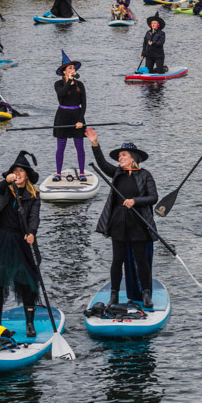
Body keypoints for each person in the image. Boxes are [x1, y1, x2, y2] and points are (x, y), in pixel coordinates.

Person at [86, 129, 158, 308]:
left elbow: (153, 198)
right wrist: (95, 143)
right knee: (117, 260)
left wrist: (135, 201)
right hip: (118, 222)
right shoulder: (117, 173)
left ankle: (146, 293)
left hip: (139, 223)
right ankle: (114, 294)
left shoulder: (145, 175)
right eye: (119, 156)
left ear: (133, 157)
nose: (120, 158)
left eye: (123, 155)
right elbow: (102, 164)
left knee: (141, 260)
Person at [0, 151, 42, 335]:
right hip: (0, 239)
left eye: (22, 171)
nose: (18, 174)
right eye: (16, 171)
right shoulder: (6, 189)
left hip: (21, 241)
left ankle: (30, 323)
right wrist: (7, 180)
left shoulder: (34, 195)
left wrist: (32, 233)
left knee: (26, 281)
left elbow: (35, 218)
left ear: (27, 175)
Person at [53, 51, 87, 182]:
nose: (73, 70)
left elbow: (84, 104)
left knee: (79, 146)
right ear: (64, 72)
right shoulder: (58, 84)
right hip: (62, 117)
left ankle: (82, 172)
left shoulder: (80, 85)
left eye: (74, 68)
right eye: (70, 68)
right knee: (60, 147)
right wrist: (69, 81)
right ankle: (58, 173)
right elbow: (61, 94)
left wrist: (80, 120)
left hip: (76, 117)